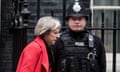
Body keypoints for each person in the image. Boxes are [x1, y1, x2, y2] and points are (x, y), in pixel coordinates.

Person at [53, 0, 106, 72]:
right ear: (68, 21)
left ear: (85, 20)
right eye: (73, 19)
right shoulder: (59, 41)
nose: (77, 22)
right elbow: (53, 66)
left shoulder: (96, 41)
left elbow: (102, 67)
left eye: (80, 19)